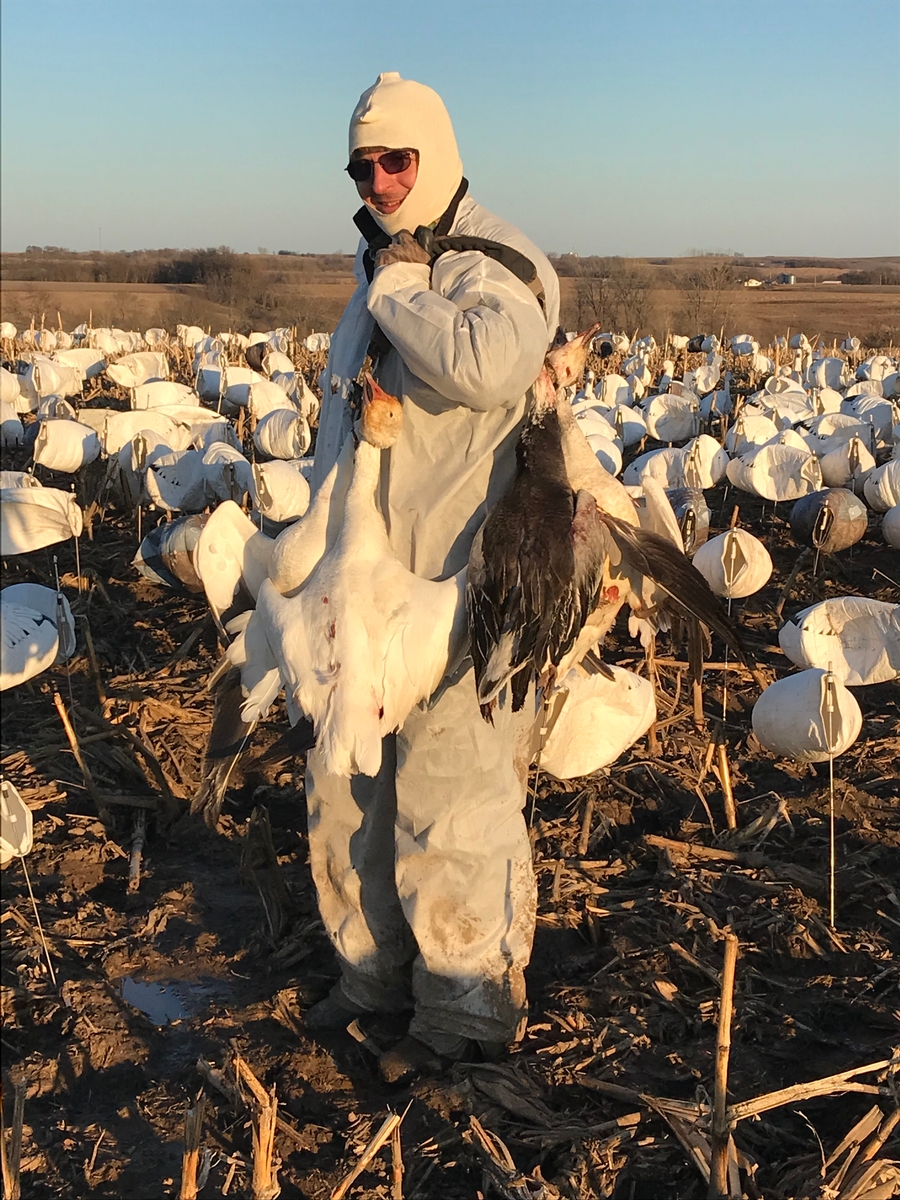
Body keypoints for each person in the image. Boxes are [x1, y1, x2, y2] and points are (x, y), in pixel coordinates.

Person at [305, 71, 560, 1083]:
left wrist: (403, 287)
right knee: (348, 793)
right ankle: (369, 977)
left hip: (460, 586)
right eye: (362, 166)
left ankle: (465, 1008)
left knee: (451, 799)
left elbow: (492, 366)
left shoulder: (490, 264)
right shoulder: (384, 272)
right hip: (363, 589)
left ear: (437, 156)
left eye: (397, 160)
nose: (379, 180)